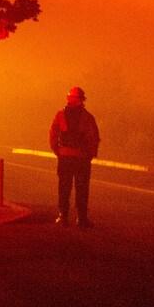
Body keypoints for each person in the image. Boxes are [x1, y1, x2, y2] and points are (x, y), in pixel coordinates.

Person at [50, 85, 100, 228]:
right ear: (82, 100)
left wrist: (57, 150)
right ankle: (81, 218)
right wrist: (90, 155)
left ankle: (63, 216)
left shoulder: (60, 115)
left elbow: (53, 134)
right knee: (82, 188)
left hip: (65, 157)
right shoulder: (88, 117)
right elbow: (93, 138)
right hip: (81, 158)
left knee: (64, 187)